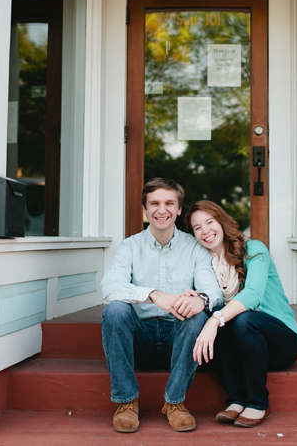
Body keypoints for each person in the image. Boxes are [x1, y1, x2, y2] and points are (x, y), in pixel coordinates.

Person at [100, 178, 223, 434]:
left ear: (179, 210)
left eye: (169, 203)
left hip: (177, 340)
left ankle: (175, 403)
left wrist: (199, 300)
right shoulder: (129, 247)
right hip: (139, 338)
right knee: (115, 309)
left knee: (197, 316)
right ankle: (126, 402)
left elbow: (213, 292)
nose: (161, 209)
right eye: (154, 203)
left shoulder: (195, 247)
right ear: (145, 209)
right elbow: (109, 287)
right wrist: (154, 295)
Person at [185, 200, 297, 428]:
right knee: (220, 313)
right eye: (197, 227)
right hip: (244, 349)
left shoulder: (254, 249)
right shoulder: (203, 264)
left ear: (222, 221)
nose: (205, 231)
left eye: (209, 222)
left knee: (239, 318)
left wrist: (214, 321)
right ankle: (236, 399)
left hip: (281, 342)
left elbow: (252, 295)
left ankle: (258, 402)